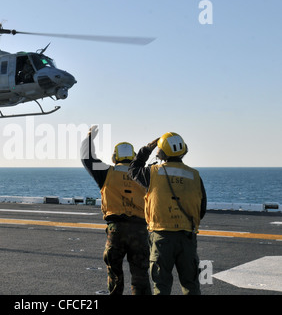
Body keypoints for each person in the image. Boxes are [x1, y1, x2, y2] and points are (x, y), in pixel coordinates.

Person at [128, 132, 207, 295]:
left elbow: (133, 169)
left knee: (161, 285)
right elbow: (202, 208)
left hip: (161, 237)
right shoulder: (194, 176)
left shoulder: (152, 172)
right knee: (191, 284)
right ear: (183, 151)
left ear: (161, 152)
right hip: (187, 237)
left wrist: (146, 149)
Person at [80, 125, 151, 295]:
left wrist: (89, 137)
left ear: (114, 157)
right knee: (140, 275)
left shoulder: (106, 172)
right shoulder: (144, 174)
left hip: (116, 229)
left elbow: (86, 158)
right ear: (133, 158)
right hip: (140, 230)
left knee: (115, 274)